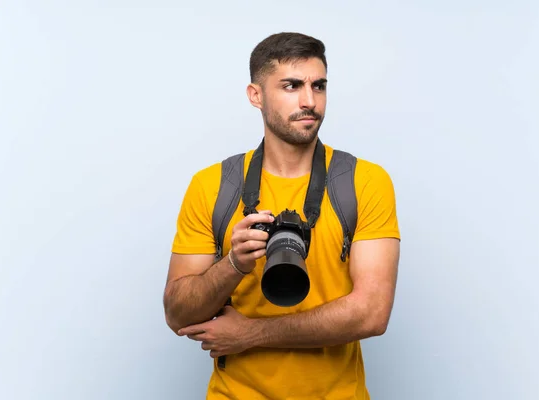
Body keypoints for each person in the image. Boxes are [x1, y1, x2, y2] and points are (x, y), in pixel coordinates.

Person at [163, 32, 401, 399]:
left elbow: (372, 313)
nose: (310, 101)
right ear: (255, 95)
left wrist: (251, 334)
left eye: (318, 86)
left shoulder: (364, 181)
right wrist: (234, 263)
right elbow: (178, 314)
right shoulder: (212, 186)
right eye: (291, 86)